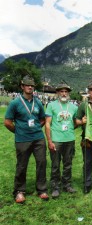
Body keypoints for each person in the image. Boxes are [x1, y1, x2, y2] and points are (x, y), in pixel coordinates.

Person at [4, 75, 49, 203]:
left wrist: (35, 128)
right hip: (22, 139)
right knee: (22, 165)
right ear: (22, 87)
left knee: (41, 163)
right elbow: (7, 122)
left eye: (32, 85)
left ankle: (42, 189)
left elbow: (42, 118)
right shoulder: (15, 103)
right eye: (27, 85)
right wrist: (19, 131)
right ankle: (19, 191)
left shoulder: (38, 102)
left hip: (38, 138)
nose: (30, 87)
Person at [45, 81, 78, 198]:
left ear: (68, 93)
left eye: (66, 91)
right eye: (61, 91)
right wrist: (49, 141)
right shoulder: (51, 105)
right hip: (56, 140)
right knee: (55, 165)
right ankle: (55, 187)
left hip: (69, 139)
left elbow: (75, 122)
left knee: (68, 164)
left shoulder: (74, 107)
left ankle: (67, 185)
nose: (64, 93)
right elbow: (47, 124)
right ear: (57, 93)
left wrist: (82, 121)